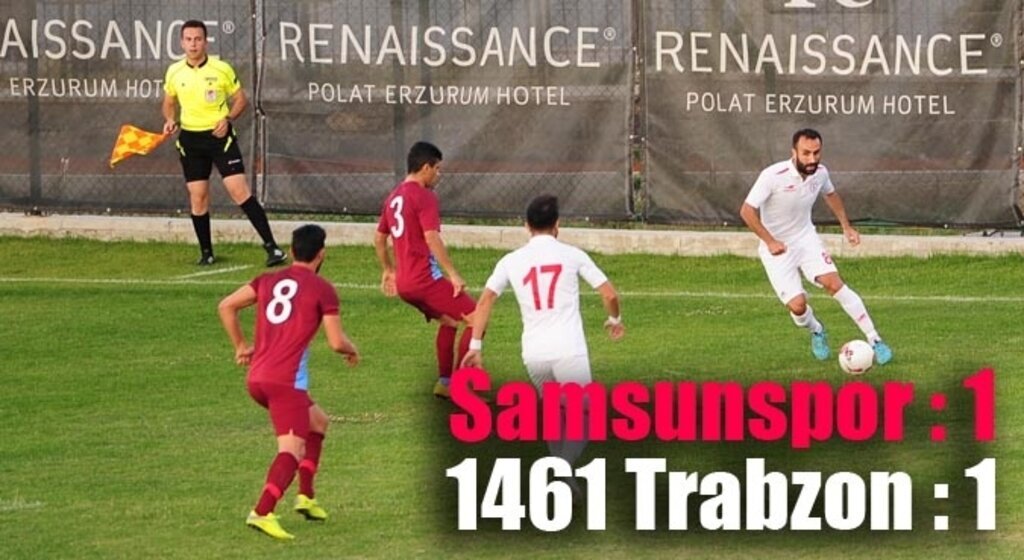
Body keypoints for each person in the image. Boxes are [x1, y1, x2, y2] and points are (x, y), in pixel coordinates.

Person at [461, 194, 624, 497]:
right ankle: (560, 469)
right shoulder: (572, 255)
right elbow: (609, 294)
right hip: (568, 349)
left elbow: (484, 301)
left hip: (533, 353)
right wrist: (615, 320)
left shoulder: (511, 261)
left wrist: (476, 345)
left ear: (526, 225)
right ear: (557, 224)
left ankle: (562, 480)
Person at [218, 224, 360, 541]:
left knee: (318, 422)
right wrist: (352, 349)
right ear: (321, 254)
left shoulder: (267, 280)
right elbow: (336, 341)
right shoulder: (322, 289)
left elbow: (226, 306)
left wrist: (240, 346)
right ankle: (262, 511)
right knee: (291, 450)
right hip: (285, 384)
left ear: (292, 250)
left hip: (257, 378)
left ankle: (306, 496)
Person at [740, 128, 893, 364]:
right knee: (798, 306)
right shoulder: (773, 175)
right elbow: (746, 211)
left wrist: (846, 227)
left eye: (816, 153)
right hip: (776, 248)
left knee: (834, 283)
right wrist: (770, 241)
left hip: (806, 239)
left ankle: (875, 340)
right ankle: (817, 330)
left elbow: (831, 194)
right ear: (794, 152)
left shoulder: (820, 173)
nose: (812, 159)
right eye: (806, 153)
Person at [162, 19, 286, 267]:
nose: (193, 44)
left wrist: (227, 119)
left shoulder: (221, 69)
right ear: (181, 43)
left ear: (205, 42)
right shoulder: (174, 71)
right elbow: (169, 102)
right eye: (188, 39)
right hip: (190, 141)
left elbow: (241, 99)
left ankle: (272, 248)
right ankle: (206, 253)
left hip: (220, 140)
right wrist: (169, 119)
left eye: (198, 39)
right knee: (198, 197)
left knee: (239, 191)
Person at [374, 141, 476, 399]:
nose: (439, 175)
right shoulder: (424, 196)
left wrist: (388, 270)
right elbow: (431, 237)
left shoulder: (393, 197)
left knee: (449, 321)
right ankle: (461, 388)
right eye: (437, 169)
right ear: (425, 167)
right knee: (477, 319)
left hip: (405, 285)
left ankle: (445, 383)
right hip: (424, 281)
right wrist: (453, 274)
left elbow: (379, 238)